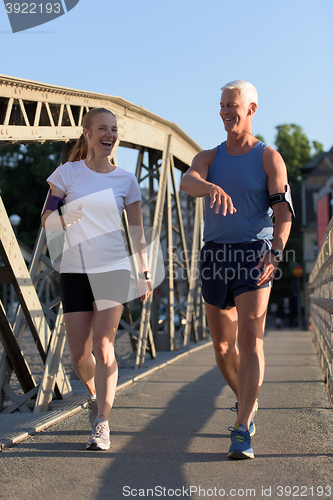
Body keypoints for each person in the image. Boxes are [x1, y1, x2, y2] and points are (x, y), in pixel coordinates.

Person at [180, 80, 293, 459]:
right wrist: (209, 188)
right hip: (215, 256)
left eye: (233, 105)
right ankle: (248, 399)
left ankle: (242, 427)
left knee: (250, 338)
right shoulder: (210, 157)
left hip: (254, 254)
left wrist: (275, 253)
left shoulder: (269, 158)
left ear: (251, 109)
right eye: (222, 106)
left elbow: (282, 214)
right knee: (223, 346)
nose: (226, 111)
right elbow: (187, 181)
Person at [41, 107, 152, 451]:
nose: (110, 134)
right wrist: (68, 215)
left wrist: (145, 272)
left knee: (104, 346)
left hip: (112, 269)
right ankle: (94, 395)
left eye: (114, 128)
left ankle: (101, 423)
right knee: (79, 355)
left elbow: (136, 232)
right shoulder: (66, 173)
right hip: (75, 269)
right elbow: (46, 218)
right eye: (102, 128)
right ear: (87, 133)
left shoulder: (126, 180)